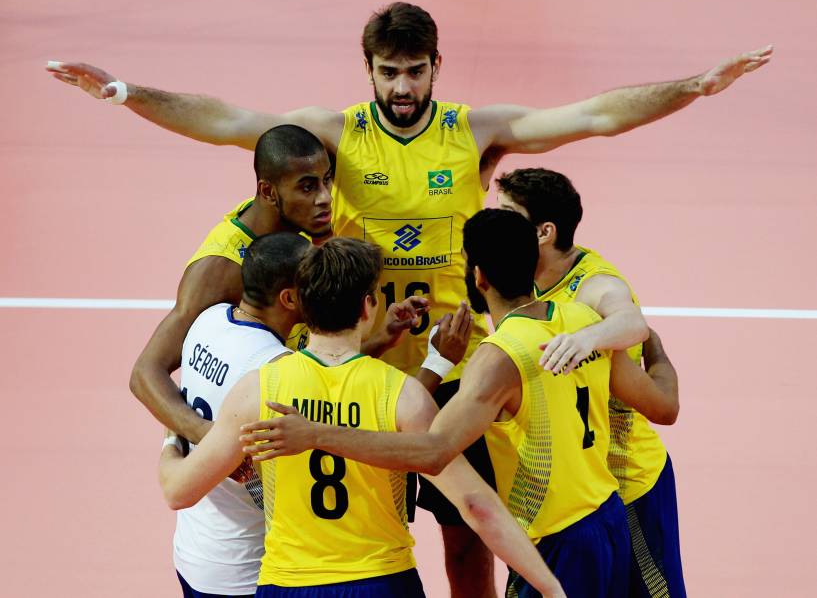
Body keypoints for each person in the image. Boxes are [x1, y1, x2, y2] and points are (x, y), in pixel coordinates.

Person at [47, 2, 769, 594]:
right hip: (350, 355)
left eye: (414, 72)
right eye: (388, 72)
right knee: (319, 524)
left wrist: (693, 87)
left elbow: (593, 116)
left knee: (468, 535)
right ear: (368, 70)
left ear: (434, 69)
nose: (401, 87)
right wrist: (124, 93)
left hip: (452, 366)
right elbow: (229, 124)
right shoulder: (335, 132)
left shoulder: (470, 129)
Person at [240, 210, 680, 597]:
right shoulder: (583, 322)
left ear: (479, 277)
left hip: (556, 540)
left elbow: (432, 452)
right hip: (608, 519)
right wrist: (657, 353)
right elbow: (664, 406)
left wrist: (316, 434)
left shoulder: (499, 357)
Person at [158, 236, 566, 598]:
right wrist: (549, 587)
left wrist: (172, 434)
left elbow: (179, 491)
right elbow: (477, 506)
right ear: (369, 306)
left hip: (289, 582)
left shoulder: (259, 389)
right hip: (382, 581)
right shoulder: (403, 396)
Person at [128, 124, 430, 448]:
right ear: (269, 192)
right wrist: (207, 437)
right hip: (252, 457)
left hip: (296, 417)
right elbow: (146, 373)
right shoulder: (221, 269)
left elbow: (310, 364)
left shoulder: (292, 231)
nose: (325, 198)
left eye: (327, 180)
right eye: (307, 187)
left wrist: (382, 337)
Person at [496, 168, 684, 596]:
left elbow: (631, 321)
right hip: (565, 493)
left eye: (508, 214)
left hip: (626, 480)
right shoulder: (518, 280)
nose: (498, 221)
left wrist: (585, 339)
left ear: (544, 232)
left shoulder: (593, 282)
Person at [172, 232, 308, 598]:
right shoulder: (273, 367)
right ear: (290, 298)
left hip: (196, 548)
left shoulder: (210, 319)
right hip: (247, 566)